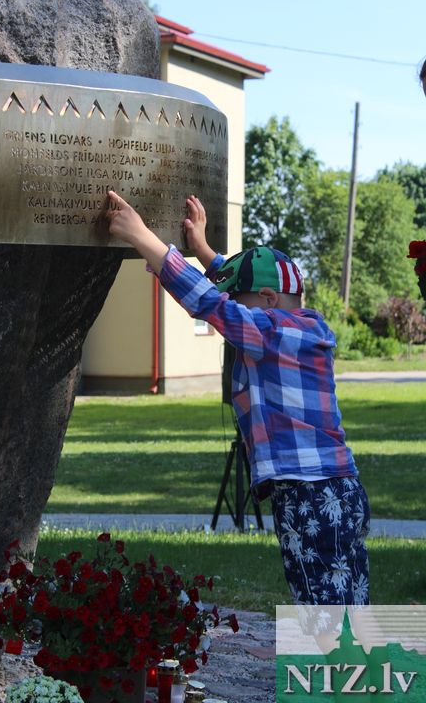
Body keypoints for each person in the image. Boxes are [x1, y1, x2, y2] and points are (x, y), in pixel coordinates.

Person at [106, 190, 370, 607]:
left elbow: (213, 304)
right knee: (346, 597)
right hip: (334, 488)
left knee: (322, 606)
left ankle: (330, 653)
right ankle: (356, 652)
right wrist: (203, 250)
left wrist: (142, 236)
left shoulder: (271, 332)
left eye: (241, 302)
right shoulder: (299, 327)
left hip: (310, 494)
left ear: (268, 300)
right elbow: (231, 293)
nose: (234, 315)